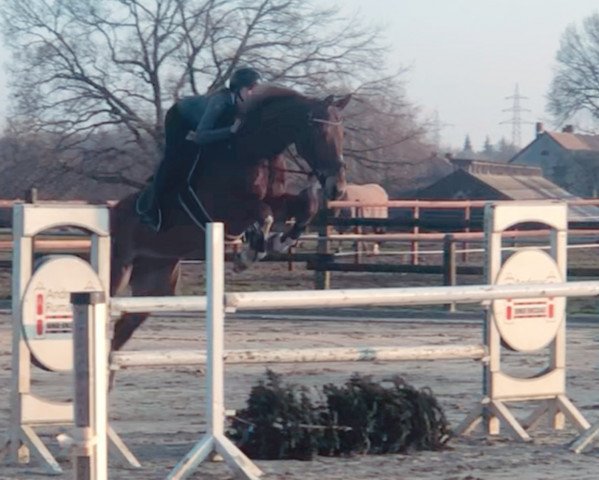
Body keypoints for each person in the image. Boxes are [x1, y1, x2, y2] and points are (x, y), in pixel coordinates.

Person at [138, 67, 262, 231]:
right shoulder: (220, 102)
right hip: (180, 119)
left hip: (199, 122)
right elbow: (200, 135)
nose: (253, 94)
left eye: (255, 90)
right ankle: (152, 208)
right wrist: (230, 131)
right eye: (250, 89)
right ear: (239, 89)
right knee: (177, 163)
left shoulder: (242, 103)